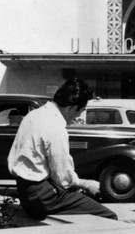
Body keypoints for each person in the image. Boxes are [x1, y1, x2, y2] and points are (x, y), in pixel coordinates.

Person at [8, 78, 117, 221]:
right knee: (108, 216)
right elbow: (63, 177)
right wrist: (87, 184)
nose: (78, 117)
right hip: (43, 197)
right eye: (82, 111)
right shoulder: (55, 125)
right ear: (73, 107)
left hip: (26, 192)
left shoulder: (34, 115)